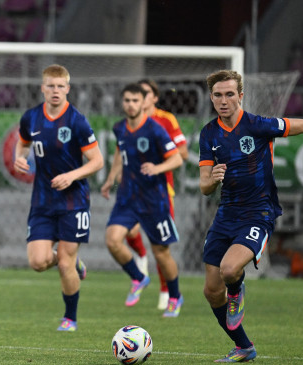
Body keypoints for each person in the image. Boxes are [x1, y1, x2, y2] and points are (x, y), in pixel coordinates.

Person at [199, 70, 303, 362]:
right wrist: (213, 178)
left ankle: (237, 289)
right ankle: (243, 346)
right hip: (225, 214)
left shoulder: (257, 125)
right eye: (218, 95)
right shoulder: (209, 133)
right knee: (210, 290)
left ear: (240, 96)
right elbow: (205, 185)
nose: (223, 100)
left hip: (259, 212)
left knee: (229, 270)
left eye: (230, 94)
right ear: (211, 97)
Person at [14, 64, 104, 332]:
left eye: (60, 86)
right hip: (42, 201)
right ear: (42, 87)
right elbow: (22, 142)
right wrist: (19, 156)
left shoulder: (77, 121)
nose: (55, 91)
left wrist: (72, 176)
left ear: (68, 88)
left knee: (64, 263)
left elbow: (98, 161)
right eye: (50, 86)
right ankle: (74, 262)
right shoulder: (30, 118)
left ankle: (70, 318)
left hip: (73, 201)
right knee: (38, 262)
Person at [101, 83, 184, 318]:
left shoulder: (155, 129)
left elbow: (177, 159)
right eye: (127, 100)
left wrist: (157, 168)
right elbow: (120, 152)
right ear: (122, 102)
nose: (131, 105)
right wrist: (110, 179)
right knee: (112, 240)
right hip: (127, 198)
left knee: (161, 253)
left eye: (135, 100)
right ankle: (139, 278)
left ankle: (175, 296)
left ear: (143, 102)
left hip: (153, 200)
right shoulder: (119, 128)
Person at [122, 78, 190, 310]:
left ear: (154, 98)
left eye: (145, 93)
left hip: (160, 190)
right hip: (133, 189)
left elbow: (183, 152)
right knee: (125, 231)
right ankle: (140, 258)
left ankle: (165, 291)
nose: (140, 97)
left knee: (160, 247)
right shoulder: (128, 123)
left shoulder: (165, 120)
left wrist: (159, 155)